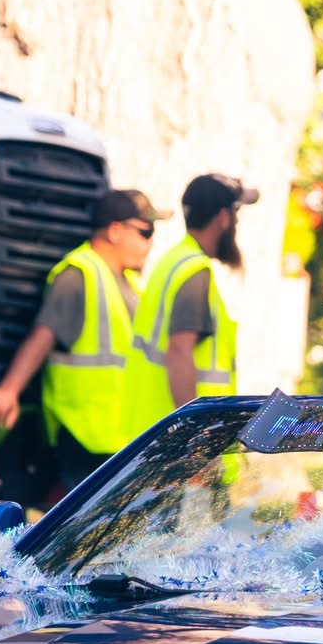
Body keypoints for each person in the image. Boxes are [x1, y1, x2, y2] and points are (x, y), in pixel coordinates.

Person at [0, 189, 166, 494]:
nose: (151, 242)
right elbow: (44, 334)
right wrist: (9, 389)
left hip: (121, 438)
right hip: (84, 438)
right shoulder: (79, 275)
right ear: (115, 231)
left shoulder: (127, 283)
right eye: (146, 231)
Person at [122, 174, 259, 444]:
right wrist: (195, 439)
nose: (236, 222)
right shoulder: (195, 271)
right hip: (176, 452)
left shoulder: (172, 261)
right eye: (236, 213)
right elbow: (179, 351)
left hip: (152, 441)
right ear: (223, 218)